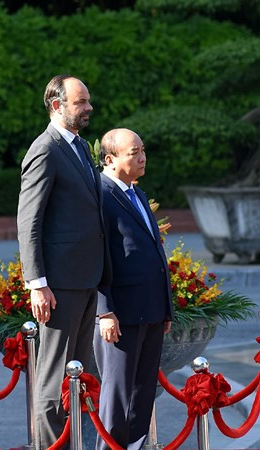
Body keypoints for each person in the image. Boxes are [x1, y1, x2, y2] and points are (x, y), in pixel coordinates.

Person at [17, 74, 111, 447]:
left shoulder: (77, 146)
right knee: (53, 381)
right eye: (81, 102)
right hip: (59, 284)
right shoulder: (45, 148)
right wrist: (37, 283)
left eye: (87, 101)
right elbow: (29, 220)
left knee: (80, 376)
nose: (88, 108)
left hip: (86, 279)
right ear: (57, 105)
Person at [94, 128, 174, 449]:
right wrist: (104, 311)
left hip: (150, 310)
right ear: (110, 159)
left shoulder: (137, 193)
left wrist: (165, 307)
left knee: (142, 397)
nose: (142, 157)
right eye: (134, 152)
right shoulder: (99, 195)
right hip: (121, 314)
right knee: (117, 399)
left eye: (142, 149)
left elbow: (154, 251)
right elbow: (96, 257)